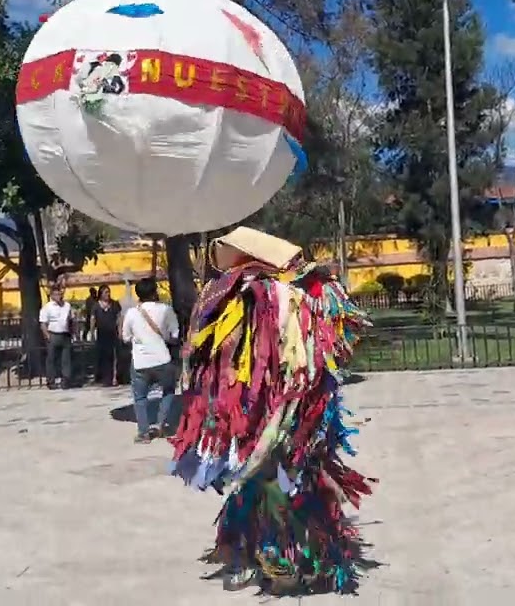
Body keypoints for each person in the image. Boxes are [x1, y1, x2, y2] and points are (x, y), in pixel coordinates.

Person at [170, 227, 374, 594]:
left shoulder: (255, 292)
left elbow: (217, 353)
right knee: (285, 478)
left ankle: (278, 560)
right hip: (288, 405)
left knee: (269, 479)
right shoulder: (306, 290)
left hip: (273, 407)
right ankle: (288, 557)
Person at [121, 279, 178, 442]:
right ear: (155, 292)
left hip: (140, 363)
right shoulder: (166, 309)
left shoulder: (132, 313)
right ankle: (160, 424)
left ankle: (144, 433)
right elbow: (175, 334)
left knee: (140, 398)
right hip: (162, 359)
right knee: (167, 391)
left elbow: (125, 337)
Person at [39, 286, 73, 388]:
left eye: (60, 293)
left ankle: (66, 380)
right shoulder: (47, 307)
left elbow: (71, 320)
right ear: (52, 295)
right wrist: (47, 335)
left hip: (65, 334)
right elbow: (43, 323)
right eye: (57, 294)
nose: (59, 296)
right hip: (53, 334)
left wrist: (72, 332)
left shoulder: (67, 305)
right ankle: (51, 381)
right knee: (51, 359)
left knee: (66, 359)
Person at [92, 285, 123, 386]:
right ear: (100, 294)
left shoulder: (114, 304)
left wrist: (120, 331)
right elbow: (93, 320)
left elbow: (119, 318)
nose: (108, 294)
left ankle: (115, 377)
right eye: (105, 292)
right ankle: (105, 378)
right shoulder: (96, 306)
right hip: (102, 334)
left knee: (114, 356)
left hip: (112, 333)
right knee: (103, 357)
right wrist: (92, 333)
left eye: (108, 292)